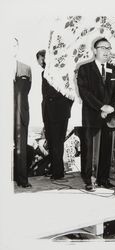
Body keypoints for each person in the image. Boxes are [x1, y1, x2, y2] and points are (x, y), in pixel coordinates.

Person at [77, 37, 115, 191]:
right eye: (103, 47)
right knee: (89, 149)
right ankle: (89, 179)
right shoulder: (85, 69)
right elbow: (85, 92)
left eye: (109, 48)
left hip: (110, 116)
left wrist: (111, 107)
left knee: (107, 149)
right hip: (92, 115)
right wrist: (101, 107)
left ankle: (104, 179)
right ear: (95, 50)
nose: (107, 51)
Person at [36, 50, 74, 180]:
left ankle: (58, 172)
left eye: (42, 58)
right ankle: (54, 169)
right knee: (51, 142)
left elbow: (70, 93)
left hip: (60, 112)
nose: (41, 62)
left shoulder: (60, 71)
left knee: (58, 142)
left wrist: (65, 108)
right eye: (39, 59)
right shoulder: (43, 73)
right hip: (47, 113)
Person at [13, 38, 32, 188]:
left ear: (17, 47)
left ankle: (22, 180)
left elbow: (26, 91)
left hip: (20, 113)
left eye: (13, 44)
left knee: (21, 148)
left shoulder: (26, 69)